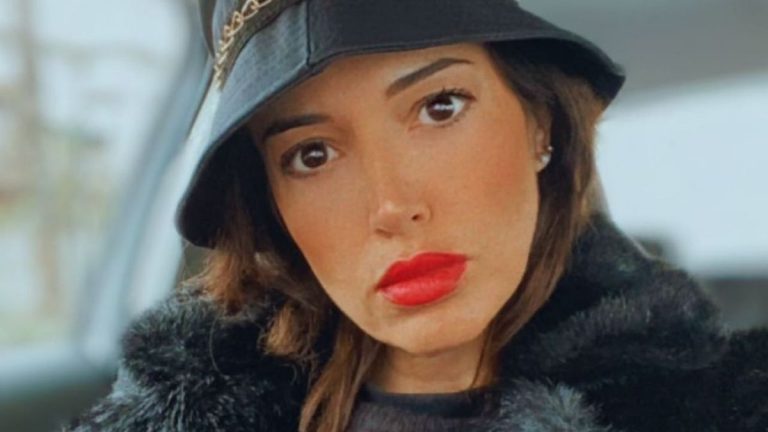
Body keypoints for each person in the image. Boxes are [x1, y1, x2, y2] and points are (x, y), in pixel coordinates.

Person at [63, 1, 768, 431]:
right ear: (272, 206)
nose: (393, 206)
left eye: (440, 107)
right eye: (312, 154)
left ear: (541, 126)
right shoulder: (175, 416)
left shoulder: (720, 407)